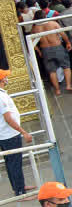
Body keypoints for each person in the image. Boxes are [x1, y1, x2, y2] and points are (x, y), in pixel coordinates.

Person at [0, 69, 34, 197]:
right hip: (9, 135)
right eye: (5, 77)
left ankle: (18, 186)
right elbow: (8, 118)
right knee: (15, 163)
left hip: (5, 134)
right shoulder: (1, 97)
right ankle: (20, 192)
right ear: (2, 80)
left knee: (11, 162)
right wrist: (24, 132)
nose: (7, 78)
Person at [31, 14, 72, 95]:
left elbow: (31, 42)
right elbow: (62, 34)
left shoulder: (35, 28)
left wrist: (39, 51)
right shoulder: (53, 23)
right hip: (57, 47)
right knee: (66, 67)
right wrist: (68, 42)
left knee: (52, 71)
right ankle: (68, 86)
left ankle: (57, 90)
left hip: (45, 50)